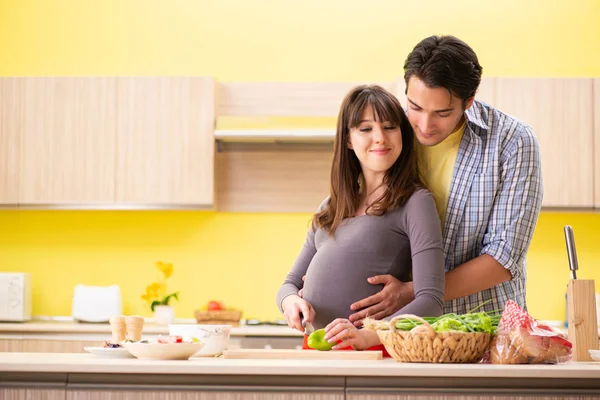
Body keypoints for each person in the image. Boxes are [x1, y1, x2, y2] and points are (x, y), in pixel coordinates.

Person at [346, 35, 543, 326]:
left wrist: (415, 292)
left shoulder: (512, 142)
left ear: (469, 102)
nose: (424, 126)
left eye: (442, 113)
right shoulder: (390, 134)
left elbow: (503, 258)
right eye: (415, 107)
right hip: (400, 331)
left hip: (484, 328)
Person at [276, 85, 445, 351]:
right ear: (348, 140)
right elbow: (289, 285)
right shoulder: (332, 206)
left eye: (390, 126)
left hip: (371, 350)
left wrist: (370, 335)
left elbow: (431, 301)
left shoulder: (415, 202)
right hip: (315, 347)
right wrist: (290, 302)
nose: (380, 137)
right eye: (365, 129)